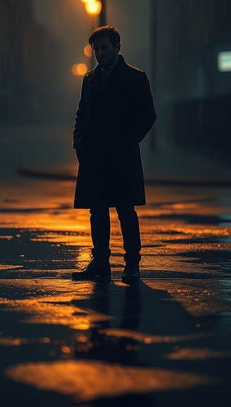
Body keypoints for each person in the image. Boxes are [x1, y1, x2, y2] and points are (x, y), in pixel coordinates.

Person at [72, 25, 156, 283]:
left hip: (121, 156)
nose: (99, 53)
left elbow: (147, 116)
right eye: (96, 49)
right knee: (97, 211)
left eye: (104, 48)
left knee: (125, 210)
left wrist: (127, 142)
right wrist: (80, 143)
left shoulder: (135, 77)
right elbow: (81, 114)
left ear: (118, 47)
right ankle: (101, 263)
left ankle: (132, 264)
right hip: (95, 156)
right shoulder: (90, 80)